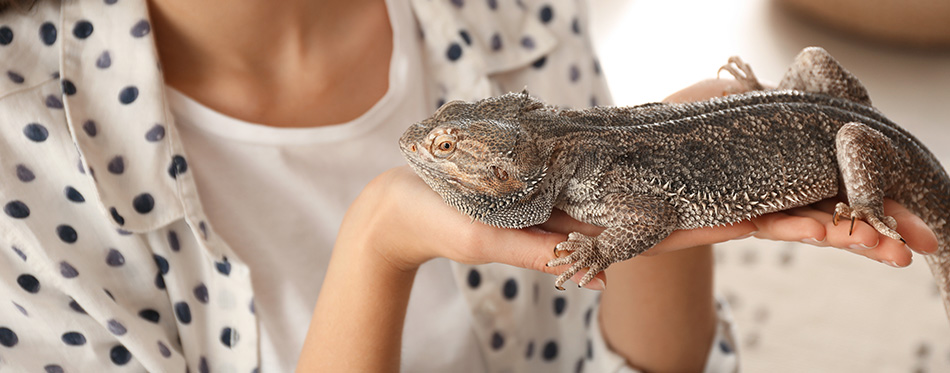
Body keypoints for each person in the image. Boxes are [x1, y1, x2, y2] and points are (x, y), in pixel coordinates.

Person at [0, 0, 937, 372]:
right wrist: (378, 242)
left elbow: (620, 355)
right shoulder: (27, 145)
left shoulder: (504, 17)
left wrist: (682, 147)